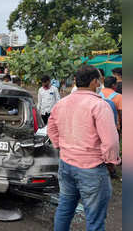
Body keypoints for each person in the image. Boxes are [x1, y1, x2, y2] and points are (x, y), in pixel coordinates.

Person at [48, 65, 120, 231]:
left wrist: (60, 145)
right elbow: (110, 141)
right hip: (92, 168)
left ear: (76, 81)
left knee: (65, 208)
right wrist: (111, 161)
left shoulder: (62, 103)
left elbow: (51, 128)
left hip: (66, 164)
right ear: (95, 81)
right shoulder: (100, 105)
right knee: (94, 218)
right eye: (99, 80)